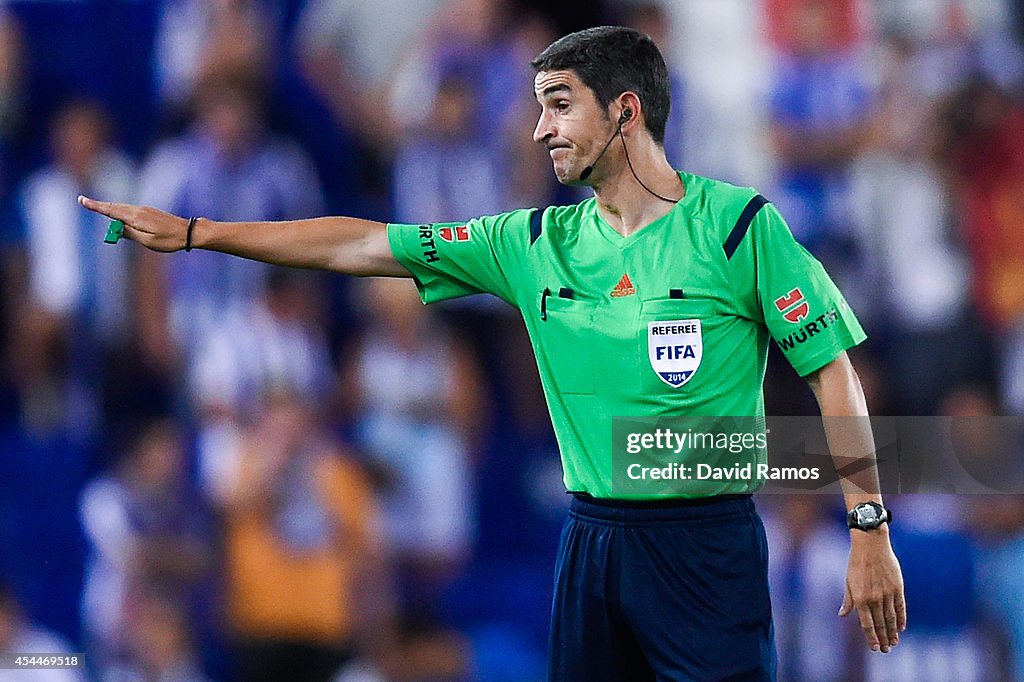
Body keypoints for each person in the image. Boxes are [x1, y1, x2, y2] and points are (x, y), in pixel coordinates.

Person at [79, 25, 906, 681]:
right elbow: (364, 248)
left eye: (558, 105)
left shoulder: (736, 228)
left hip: (707, 542)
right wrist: (199, 234)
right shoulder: (532, 239)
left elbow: (832, 372)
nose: (538, 128)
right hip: (592, 542)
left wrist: (868, 528)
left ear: (624, 112)